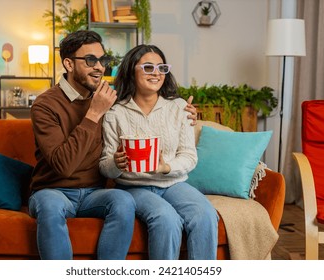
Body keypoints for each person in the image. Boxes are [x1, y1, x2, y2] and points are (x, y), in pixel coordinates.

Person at [28, 30, 198, 260]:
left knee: (123, 200)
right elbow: (63, 165)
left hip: (93, 193)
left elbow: (145, 113)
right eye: (90, 60)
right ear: (68, 63)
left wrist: (189, 116)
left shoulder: (109, 99)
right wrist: (94, 113)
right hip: (53, 190)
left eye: (103, 60)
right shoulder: (45, 105)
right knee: (48, 206)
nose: (99, 67)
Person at [99, 44, 219, 260]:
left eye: (161, 68)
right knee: (167, 219)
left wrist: (166, 167)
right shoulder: (114, 113)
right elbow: (105, 165)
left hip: (173, 183)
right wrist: (116, 164)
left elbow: (189, 156)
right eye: (147, 67)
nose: (156, 73)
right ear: (130, 70)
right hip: (133, 187)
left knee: (206, 214)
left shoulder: (179, 108)